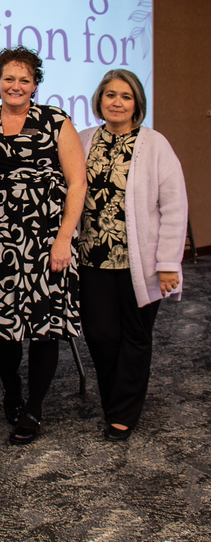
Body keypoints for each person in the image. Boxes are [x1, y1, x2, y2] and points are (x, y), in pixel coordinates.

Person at [0, 47, 87, 444]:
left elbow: (77, 183)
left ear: (35, 84)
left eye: (24, 79)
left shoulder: (55, 121)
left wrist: (64, 238)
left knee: (44, 327)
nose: (16, 85)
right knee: (3, 328)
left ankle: (34, 408)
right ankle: (12, 392)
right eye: (9, 78)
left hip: (47, 240)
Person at [78, 69, 187, 440]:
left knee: (135, 337)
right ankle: (116, 401)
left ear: (137, 103)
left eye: (125, 96)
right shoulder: (83, 140)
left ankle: (122, 412)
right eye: (110, 95)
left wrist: (168, 264)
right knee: (99, 335)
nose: (117, 102)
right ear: (100, 99)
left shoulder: (154, 144)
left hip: (141, 262)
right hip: (92, 258)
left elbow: (174, 207)